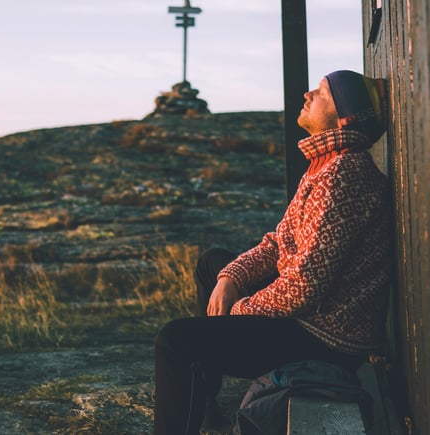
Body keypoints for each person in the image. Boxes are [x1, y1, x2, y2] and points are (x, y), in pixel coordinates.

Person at [153, 70, 393, 434]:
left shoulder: (344, 175)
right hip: (307, 317)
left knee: (175, 341)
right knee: (213, 264)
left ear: (344, 118)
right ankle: (203, 403)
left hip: (325, 339)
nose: (308, 94)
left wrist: (239, 310)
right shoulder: (324, 165)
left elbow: (304, 286)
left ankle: (194, 387)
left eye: (322, 93)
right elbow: (277, 242)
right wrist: (232, 278)